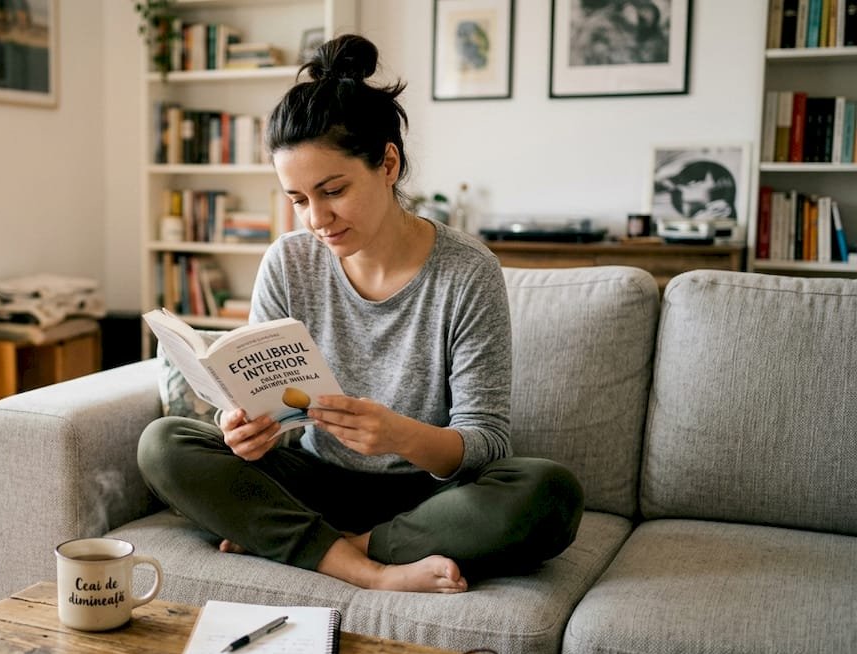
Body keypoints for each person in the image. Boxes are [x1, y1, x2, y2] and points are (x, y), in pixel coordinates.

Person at [137, 34, 584, 594]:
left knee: (549, 493)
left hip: (427, 493)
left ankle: (333, 547)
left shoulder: (468, 271)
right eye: (299, 199)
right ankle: (367, 571)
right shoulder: (288, 262)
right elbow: (271, 416)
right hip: (313, 479)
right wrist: (250, 432)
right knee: (164, 444)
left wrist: (401, 436)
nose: (317, 218)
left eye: (334, 190)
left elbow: (486, 441)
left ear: (388, 163)